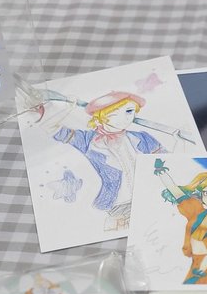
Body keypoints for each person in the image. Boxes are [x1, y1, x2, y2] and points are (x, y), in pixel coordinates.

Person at [54, 92, 166, 232]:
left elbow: (167, 161)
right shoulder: (88, 140)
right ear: (100, 116)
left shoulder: (143, 138)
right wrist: (64, 108)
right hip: (118, 204)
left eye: (129, 111)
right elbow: (56, 130)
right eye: (114, 113)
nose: (125, 118)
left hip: (148, 197)